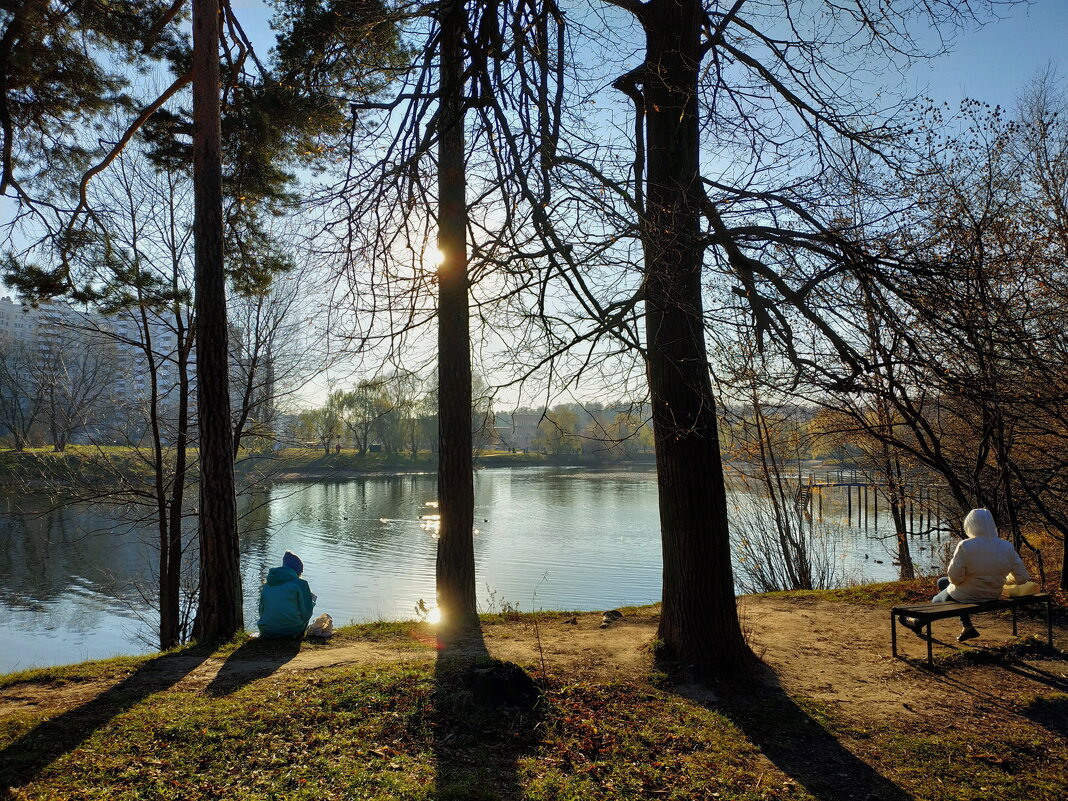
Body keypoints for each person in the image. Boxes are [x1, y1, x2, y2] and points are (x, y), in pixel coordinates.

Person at [900, 508, 1029, 642]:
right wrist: (999, 578)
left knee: (936, 601)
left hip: (967, 595)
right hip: (993, 594)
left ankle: (916, 623)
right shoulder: (1006, 546)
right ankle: (967, 627)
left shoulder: (966, 546)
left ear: (970, 525)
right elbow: (1022, 578)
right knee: (942, 582)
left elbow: (955, 578)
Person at [257, 550, 316, 638]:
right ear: (298, 570)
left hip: (266, 630)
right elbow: (306, 613)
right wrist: (312, 602)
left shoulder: (268, 583)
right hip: (291, 630)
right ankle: (297, 633)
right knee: (311, 597)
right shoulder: (300, 584)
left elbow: (261, 610)